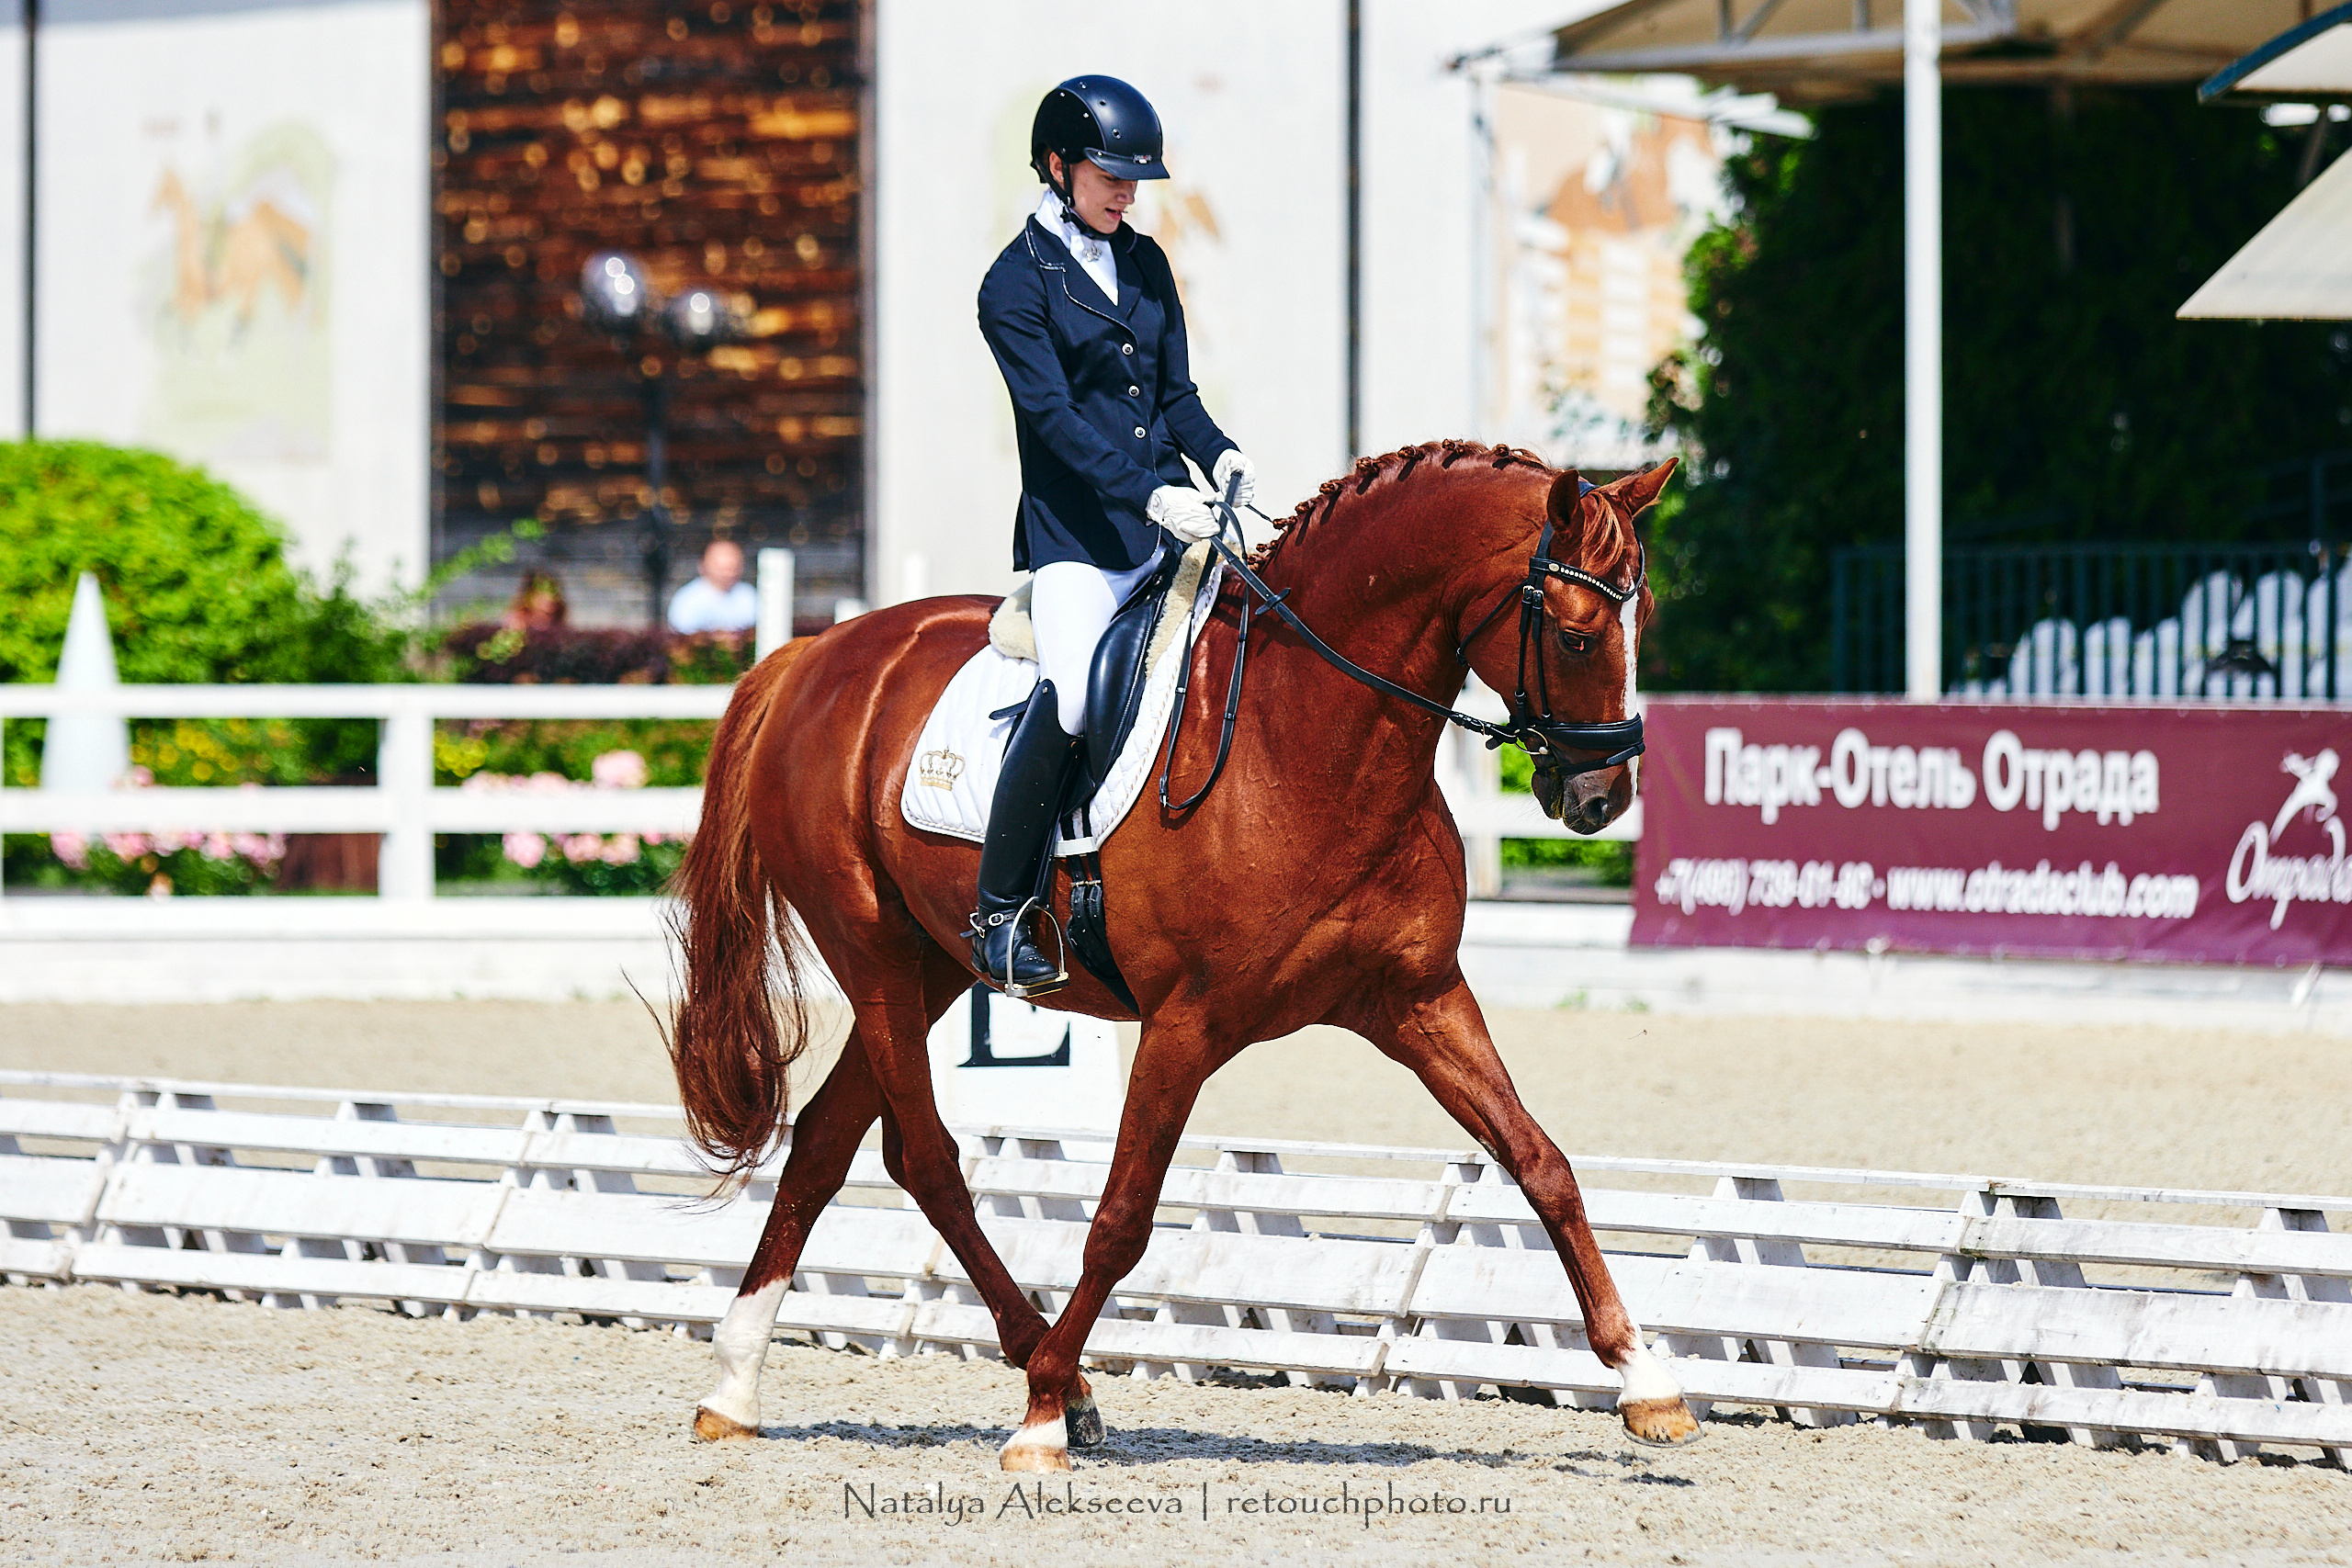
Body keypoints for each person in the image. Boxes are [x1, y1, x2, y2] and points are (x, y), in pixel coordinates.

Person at [970, 74, 1255, 996]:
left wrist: (1219, 457)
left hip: (1166, 518)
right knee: (1073, 697)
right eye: (1111, 173)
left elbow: (1175, 396)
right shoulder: (1013, 285)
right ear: (1057, 167)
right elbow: (1053, 419)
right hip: (1077, 539)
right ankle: (998, 910)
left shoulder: (1145, 263)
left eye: (1138, 177)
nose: (1129, 191)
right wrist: (1149, 494)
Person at [667, 539, 758, 636]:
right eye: (721, 567)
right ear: (702, 565)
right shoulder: (687, 599)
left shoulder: (749, 595)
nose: (728, 573)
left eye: (733, 566)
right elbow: (682, 633)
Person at [502, 570, 569, 631]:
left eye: (554, 592)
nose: (551, 598)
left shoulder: (557, 620)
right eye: (543, 593)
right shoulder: (518, 621)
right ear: (530, 595)